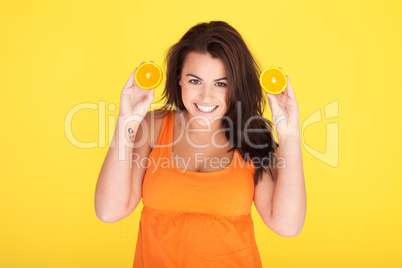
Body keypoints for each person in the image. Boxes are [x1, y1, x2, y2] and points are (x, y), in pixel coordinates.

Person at [95, 21, 306, 267]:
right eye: (195, 81)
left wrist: (289, 135)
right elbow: (109, 211)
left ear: (236, 85)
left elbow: (287, 226)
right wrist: (127, 121)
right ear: (179, 79)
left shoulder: (253, 139)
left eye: (221, 83)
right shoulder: (153, 126)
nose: (206, 97)